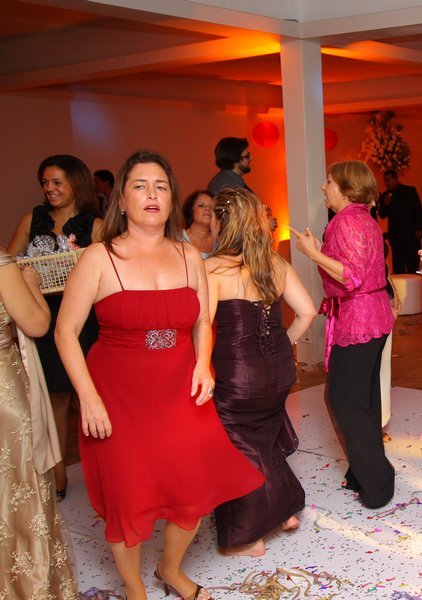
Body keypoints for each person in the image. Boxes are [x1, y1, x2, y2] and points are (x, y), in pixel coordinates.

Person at [55, 150, 264, 600]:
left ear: (171, 199)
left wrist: (203, 363)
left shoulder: (190, 255)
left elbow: (202, 320)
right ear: (122, 200)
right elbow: (65, 332)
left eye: (161, 186)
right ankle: (135, 588)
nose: (152, 194)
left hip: (179, 390)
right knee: (128, 500)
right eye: (140, 185)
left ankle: (170, 569)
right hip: (117, 396)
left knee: (190, 490)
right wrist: (88, 398)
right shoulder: (99, 257)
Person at [206, 188, 317, 557]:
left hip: (239, 374)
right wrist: (283, 343)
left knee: (237, 448)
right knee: (265, 439)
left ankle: (249, 536)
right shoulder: (273, 263)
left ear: (221, 222)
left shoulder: (212, 269)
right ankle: (285, 512)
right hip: (279, 368)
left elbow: (201, 326)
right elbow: (307, 311)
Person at [292, 160, 395, 509]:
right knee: (363, 398)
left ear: (347, 188)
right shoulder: (363, 218)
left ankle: (376, 483)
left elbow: (350, 276)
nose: (324, 187)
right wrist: (320, 252)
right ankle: (366, 473)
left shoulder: (345, 221)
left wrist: (313, 254)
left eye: (329, 181)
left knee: (345, 400)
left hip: (359, 319)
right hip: (373, 315)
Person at [8, 154, 103, 500]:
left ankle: (102, 472)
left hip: (85, 318)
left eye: (57, 182)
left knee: (90, 393)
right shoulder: (31, 220)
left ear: (76, 183)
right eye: (45, 182)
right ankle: (59, 476)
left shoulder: (95, 225)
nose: (50, 188)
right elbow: (9, 264)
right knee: (55, 397)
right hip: (44, 316)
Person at [0, 250, 78, 598]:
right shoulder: (2, 265)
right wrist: (30, 283)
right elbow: (36, 324)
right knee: (17, 484)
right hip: (4, 394)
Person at [377, 169, 422, 274]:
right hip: (396, 237)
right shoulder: (385, 196)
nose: (386, 183)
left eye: (389, 180)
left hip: (411, 235)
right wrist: (385, 204)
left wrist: (419, 228)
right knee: (398, 268)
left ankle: (415, 284)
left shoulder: (410, 191)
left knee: (413, 267)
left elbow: (418, 210)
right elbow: (382, 215)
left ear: (395, 179)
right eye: (385, 181)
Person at [181, 190, 216, 258]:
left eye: (211, 207)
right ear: (191, 210)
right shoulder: (177, 240)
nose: (207, 209)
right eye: (201, 205)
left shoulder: (220, 242)